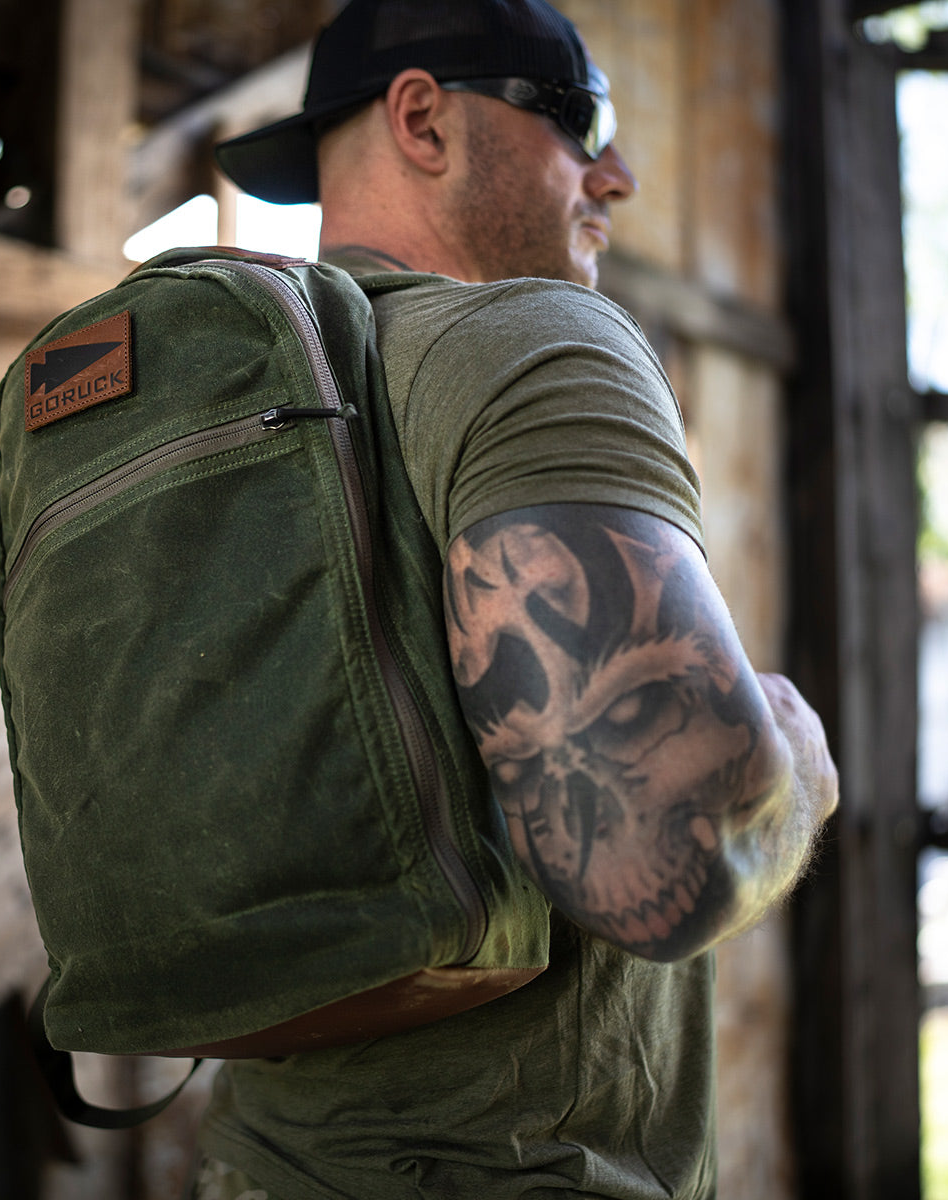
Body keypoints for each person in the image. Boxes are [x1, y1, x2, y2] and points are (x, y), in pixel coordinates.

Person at [198, 2, 839, 1196]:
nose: (621, 174)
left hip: (255, 1166)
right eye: (579, 119)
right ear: (425, 119)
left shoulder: (213, 410)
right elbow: (672, 854)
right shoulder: (533, 342)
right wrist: (797, 755)